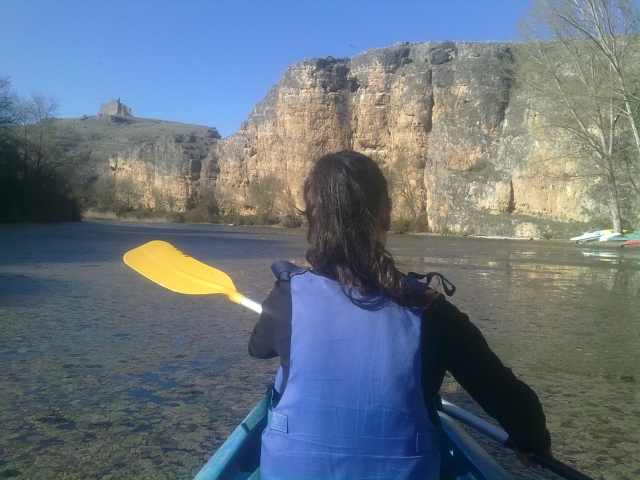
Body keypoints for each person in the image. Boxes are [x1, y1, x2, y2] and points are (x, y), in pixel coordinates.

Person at [248, 150, 551, 479]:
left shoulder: (286, 296)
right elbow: (507, 397)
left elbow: (258, 348)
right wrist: (533, 439)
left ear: (312, 220)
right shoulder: (432, 309)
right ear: (387, 215)